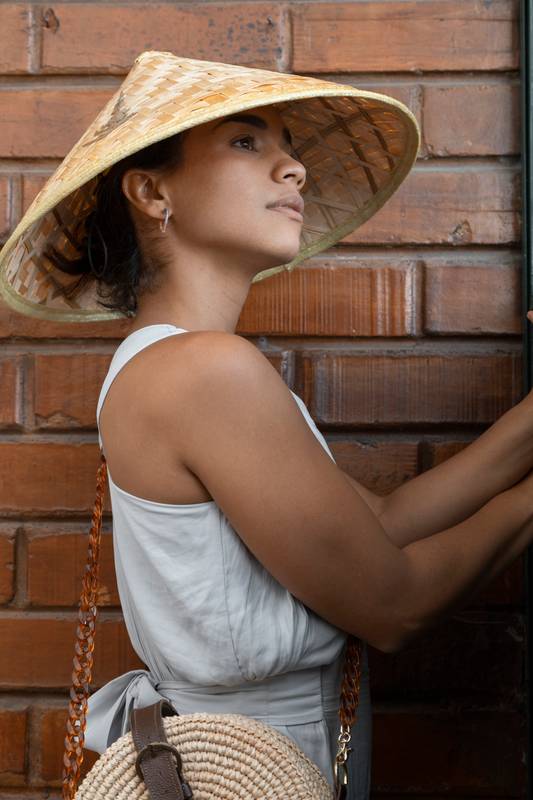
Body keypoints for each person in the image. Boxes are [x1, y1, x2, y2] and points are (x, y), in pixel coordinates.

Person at [2, 51, 533, 800]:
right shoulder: (203, 371)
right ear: (153, 191)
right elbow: (394, 604)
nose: (295, 170)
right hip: (260, 768)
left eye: (288, 148)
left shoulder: (176, 365)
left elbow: (380, 522)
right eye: (248, 142)